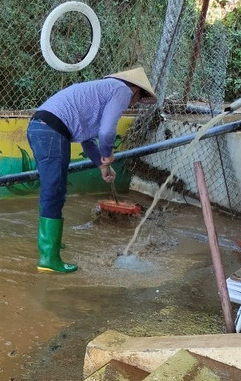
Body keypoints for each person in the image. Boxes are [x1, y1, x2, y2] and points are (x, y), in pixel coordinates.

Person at [26, 67, 156, 274]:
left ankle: (51, 245)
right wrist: (108, 153)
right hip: (50, 131)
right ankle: (48, 257)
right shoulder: (122, 91)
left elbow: (87, 141)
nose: (135, 104)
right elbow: (106, 132)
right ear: (135, 90)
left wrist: (103, 165)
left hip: (39, 127)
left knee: (54, 188)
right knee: (54, 190)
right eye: (139, 99)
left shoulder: (99, 93)